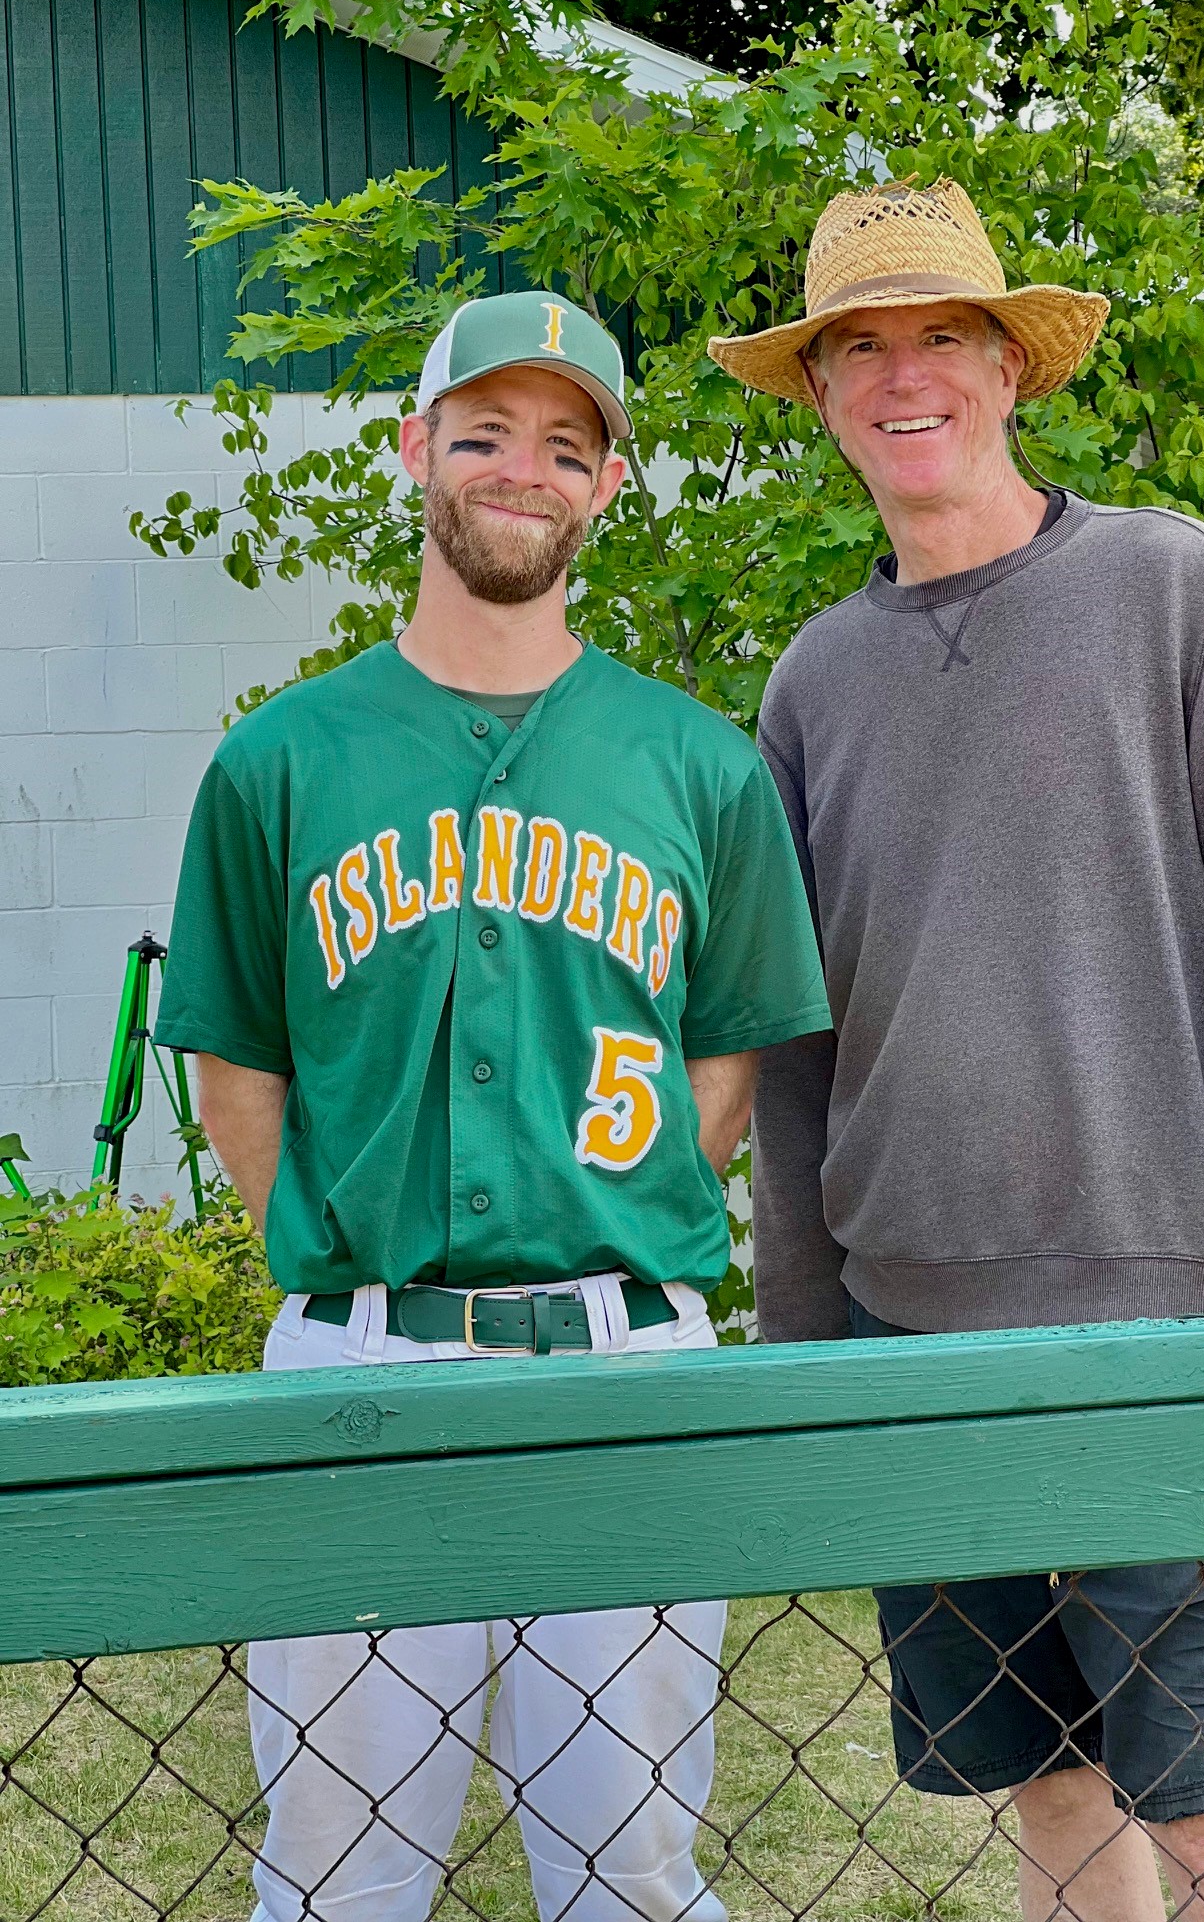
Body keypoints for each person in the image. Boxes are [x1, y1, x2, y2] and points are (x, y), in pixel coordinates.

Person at [708, 177, 1204, 1922]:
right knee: (1058, 1794)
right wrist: (811, 1355)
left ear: (1012, 368)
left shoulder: (1170, 588)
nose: (902, 374)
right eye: (858, 346)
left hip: (1173, 1336)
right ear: (820, 395)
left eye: (943, 334)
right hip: (912, 1337)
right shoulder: (811, 686)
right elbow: (797, 1051)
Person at [156, 289, 832, 1922]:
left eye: (564, 444)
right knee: (334, 1877)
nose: (521, 471)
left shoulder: (699, 766)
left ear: (608, 485)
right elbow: (236, 1061)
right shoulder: (281, 760)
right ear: (415, 452)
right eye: (484, 434)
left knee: (632, 1876)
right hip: (360, 1364)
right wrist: (335, 1264)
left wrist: (610, 1216)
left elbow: (726, 1058)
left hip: (627, 1363)